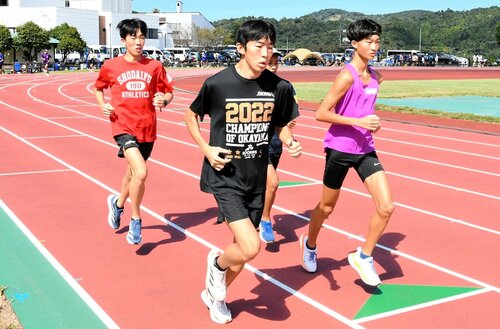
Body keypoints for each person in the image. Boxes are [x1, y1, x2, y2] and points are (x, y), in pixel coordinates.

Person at [185, 19, 302, 324]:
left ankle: (214, 295)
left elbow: (281, 124)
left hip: (256, 178)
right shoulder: (218, 83)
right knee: (251, 246)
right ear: (241, 48)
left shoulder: (279, 87)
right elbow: (191, 114)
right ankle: (218, 266)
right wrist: (205, 148)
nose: (266, 53)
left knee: (241, 248)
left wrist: (289, 140)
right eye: (259, 46)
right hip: (224, 176)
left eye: (270, 46)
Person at [299, 18, 395, 287]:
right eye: (368, 41)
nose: (374, 46)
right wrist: (360, 121)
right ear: (354, 43)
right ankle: (310, 243)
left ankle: (364, 256)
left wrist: (370, 123)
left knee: (387, 206)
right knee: (327, 207)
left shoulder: (377, 76)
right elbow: (321, 113)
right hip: (340, 149)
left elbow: (363, 109)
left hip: (365, 148)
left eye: (377, 41)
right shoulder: (345, 75)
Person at [95, 18, 174, 245]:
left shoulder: (155, 66)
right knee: (140, 172)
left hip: (147, 128)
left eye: (141, 37)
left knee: (131, 175)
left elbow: (168, 92)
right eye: (133, 37)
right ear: (123, 40)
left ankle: (117, 204)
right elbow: (98, 89)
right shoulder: (111, 66)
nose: (139, 42)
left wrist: (164, 100)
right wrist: (102, 105)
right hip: (122, 127)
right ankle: (136, 218)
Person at [215, 48, 300, 245]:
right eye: (270, 62)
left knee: (261, 189)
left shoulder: (283, 87)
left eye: (275, 63)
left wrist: (291, 140)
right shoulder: (244, 86)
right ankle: (265, 219)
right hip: (253, 145)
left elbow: (287, 119)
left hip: (274, 144)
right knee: (273, 182)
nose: (272, 66)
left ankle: (242, 235)